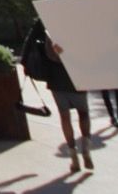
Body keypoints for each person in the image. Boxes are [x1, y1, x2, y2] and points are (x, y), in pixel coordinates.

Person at [25, 16, 92, 173]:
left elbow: (29, 42)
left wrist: (26, 64)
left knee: (64, 116)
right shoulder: (75, 23)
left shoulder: (43, 22)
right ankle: (86, 148)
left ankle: (73, 154)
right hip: (77, 75)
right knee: (84, 113)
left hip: (56, 78)